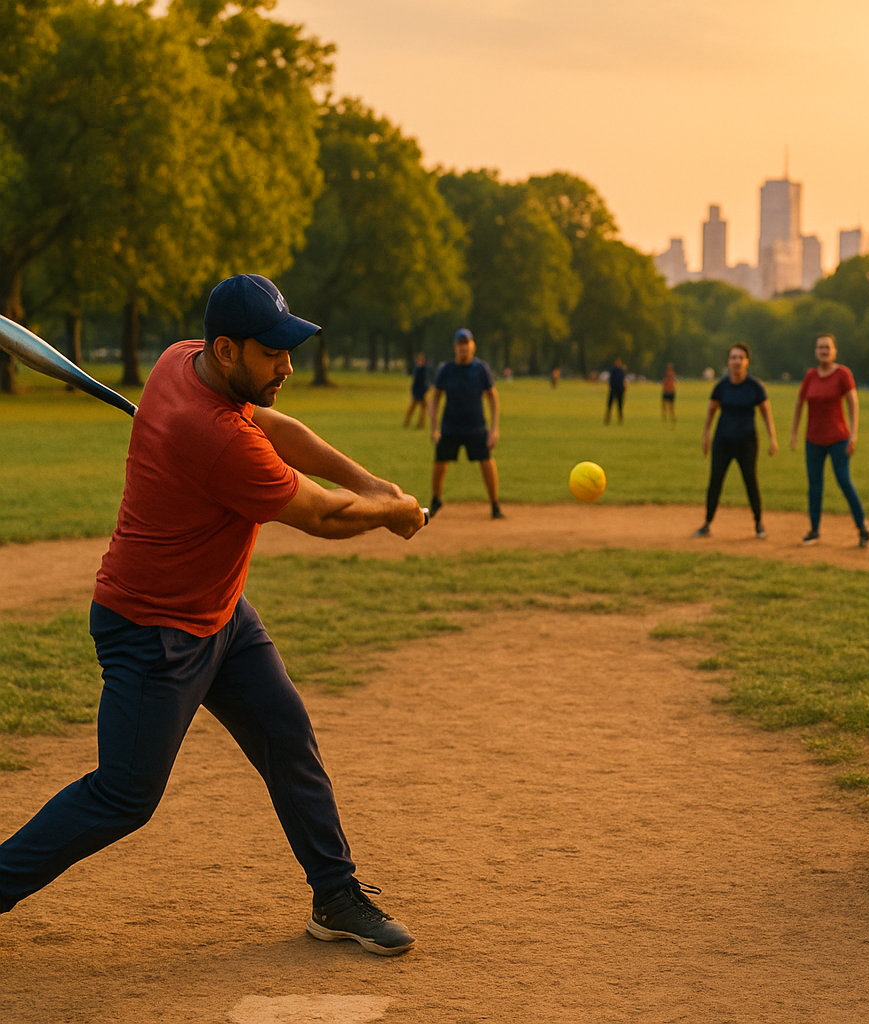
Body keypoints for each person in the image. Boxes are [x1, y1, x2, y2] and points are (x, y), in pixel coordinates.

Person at [0, 274, 425, 955]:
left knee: (287, 735)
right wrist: (391, 512)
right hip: (153, 629)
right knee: (123, 797)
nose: (287, 365)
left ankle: (336, 895)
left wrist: (369, 481)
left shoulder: (179, 359)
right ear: (226, 351)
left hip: (218, 612)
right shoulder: (219, 440)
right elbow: (321, 515)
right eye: (272, 353)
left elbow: (279, 426)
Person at [790, 334, 869, 548]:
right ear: (815, 351)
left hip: (838, 439)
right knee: (814, 485)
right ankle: (814, 530)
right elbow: (799, 403)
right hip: (813, 439)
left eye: (827, 347)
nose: (823, 350)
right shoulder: (810, 376)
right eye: (820, 347)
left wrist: (854, 435)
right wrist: (794, 433)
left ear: (835, 351)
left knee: (844, 481)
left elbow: (853, 403)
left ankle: (862, 527)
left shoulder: (843, 374)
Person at [693, 343, 777, 539]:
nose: (736, 361)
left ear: (747, 362)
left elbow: (766, 414)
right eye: (733, 357)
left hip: (747, 441)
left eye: (740, 358)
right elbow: (711, 411)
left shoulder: (755, 387)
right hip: (723, 440)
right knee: (715, 480)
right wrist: (706, 435)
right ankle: (707, 523)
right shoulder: (721, 386)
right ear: (728, 362)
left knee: (750, 480)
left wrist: (773, 438)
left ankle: (758, 523)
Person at [428, 327, 503, 520]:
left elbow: (493, 398)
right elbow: (435, 399)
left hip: (476, 427)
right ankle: (436, 499)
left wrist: (494, 429)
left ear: (473, 346)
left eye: (466, 344)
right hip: (451, 426)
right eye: (460, 344)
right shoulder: (447, 369)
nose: (463, 348)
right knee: (440, 463)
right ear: (455, 347)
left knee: (486, 461)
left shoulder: (481, 369)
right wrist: (434, 429)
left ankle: (495, 505)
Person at [404, 352, 430, 428]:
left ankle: (420, 424)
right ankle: (408, 422)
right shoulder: (419, 369)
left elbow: (423, 381)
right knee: (413, 408)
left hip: (421, 391)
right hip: (417, 391)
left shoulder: (422, 369)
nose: (419, 362)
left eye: (420, 360)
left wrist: (425, 389)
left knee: (422, 408)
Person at [605, 357, 627, 424]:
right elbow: (610, 380)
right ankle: (608, 418)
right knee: (610, 404)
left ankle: (620, 418)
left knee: (619, 405)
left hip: (620, 389)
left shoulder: (621, 371)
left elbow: (624, 381)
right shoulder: (613, 371)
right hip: (613, 389)